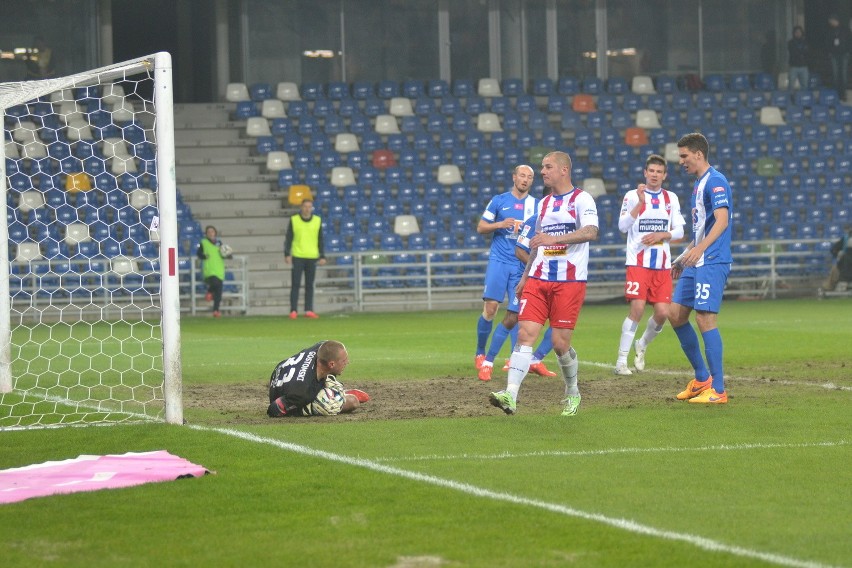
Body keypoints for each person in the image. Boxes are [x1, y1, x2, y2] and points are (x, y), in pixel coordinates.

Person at [489, 151, 599, 417]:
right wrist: (525, 277)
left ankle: (572, 391)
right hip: (539, 278)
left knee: (560, 344)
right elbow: (537, 244)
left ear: (564, 170)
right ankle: (510, 395)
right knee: (525, 334)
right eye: (542, 167)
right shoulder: (545, 203)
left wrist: (554, 240)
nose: (542, 171)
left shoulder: (582, 199)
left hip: (569, 281)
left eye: (547, 167)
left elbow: (591, 231)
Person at [669, 133, 733, 404]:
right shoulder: (698, 184)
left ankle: (718, 390)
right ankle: (702, 378)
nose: (681, 161)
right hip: (697, 260)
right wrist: (684, 255)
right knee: (675, 314)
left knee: (705, 319)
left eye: (684, 156)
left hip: (712, 260)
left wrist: (700, 249)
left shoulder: (716, 181)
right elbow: (702, 228)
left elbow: (722, 220)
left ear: (698, 154)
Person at [474, 165, 551, 374]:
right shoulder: (499, 200)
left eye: (530, 177)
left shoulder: (536, 205)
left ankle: (511, 359)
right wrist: (499, 225)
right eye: (522, 176)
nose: (525, 180)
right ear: (514, 177)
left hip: (520, 264)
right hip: (499, 261)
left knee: (518, 312)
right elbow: (481, 227)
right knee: (491, 309)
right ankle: (480, 353)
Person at [614, 154, 686, 376]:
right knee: (636, 308)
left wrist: (662, 235)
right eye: (651, 171)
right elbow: (622, 226)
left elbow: (680, 232)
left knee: (664, 312)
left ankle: (642, 344)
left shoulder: (671, 198)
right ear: (645, 173)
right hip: (637, 263)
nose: (654, 175)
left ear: (664, 175)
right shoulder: (632, 196)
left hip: (661, 265)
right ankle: (621, 361)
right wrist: (640, 204)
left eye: (659, 172)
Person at [477, 212, 557, 382]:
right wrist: (537, 268)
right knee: (512, 318)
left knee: (559, 322)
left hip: (556, 278)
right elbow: (520, 250)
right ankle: (488, 363)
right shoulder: (534, 220)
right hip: (529, 277)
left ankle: (536, 360)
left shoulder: (566, 222)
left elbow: (558, 252)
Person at [267, 340, 369, 417]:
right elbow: (273, 409)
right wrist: (302, 410)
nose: (347, 362)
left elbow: (329, 345)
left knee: (331, 382)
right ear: (332, 364)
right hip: (290, 392)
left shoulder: (321, 347)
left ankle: (335, 392)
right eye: (344, 361)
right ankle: (336, 395)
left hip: (283, 373)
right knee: (352, 402)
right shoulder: (302, 392)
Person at [285, 199, 326, 319]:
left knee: (309, 285)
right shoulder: (294, 220)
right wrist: (287, 253)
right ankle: (293, 310)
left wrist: (322, 255)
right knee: (295, 284)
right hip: (298, 255)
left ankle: (309, 309)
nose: (307, 209)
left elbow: (320, 239)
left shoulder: (317, 220)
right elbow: (289, 238)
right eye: (305, 206)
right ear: (301, 207)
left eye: (309, 207)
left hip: (312, 256)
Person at [196, 225, 230, 318]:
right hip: (209, 269)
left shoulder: (219, 243)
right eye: (209, 232)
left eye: (212, 231)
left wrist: (229, 255)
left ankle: (216, 310)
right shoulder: (204, 242)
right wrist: (204, 256)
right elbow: (199, 253)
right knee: (214, 283)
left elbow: (224, 253)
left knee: (219, 292)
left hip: (219, 269)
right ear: (206, 234)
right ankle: (209, 292)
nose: (211, 233)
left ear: (215, 232)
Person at [819, 228, 852, 294]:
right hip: (844, 265)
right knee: (835, 269)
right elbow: (833, 250)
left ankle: (827, 288)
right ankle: (827, 288)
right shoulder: (845, 240)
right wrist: (838, 254)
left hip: (845, 266)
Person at [827, 14, 851, 101]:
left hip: (844, 54)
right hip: (834, 54)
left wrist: (848, 52)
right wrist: (829, 52)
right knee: (835, 74)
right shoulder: (829, 30)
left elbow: (849, 40)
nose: (829, 22)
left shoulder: (845, 29)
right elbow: (828, 42)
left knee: (843, 75)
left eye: (830, 20)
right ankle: (836, 94)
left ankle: (843, 93)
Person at [787, 25, 809, 91]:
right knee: (791, 85)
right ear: (794, 33)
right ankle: (790, 98)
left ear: (802, 33)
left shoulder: (805, 42)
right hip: (794, 66)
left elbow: (807, 52)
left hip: (804, 66)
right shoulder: (790, 43)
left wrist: (800, 52)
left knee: (805, 85)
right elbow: (793, 52)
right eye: (796, 32)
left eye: (799, 32)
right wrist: (801, 52)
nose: (798, 33)